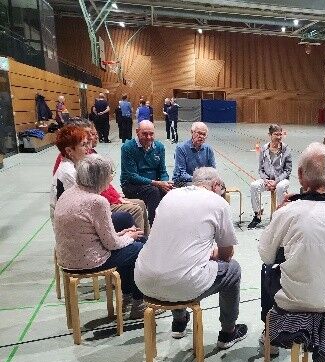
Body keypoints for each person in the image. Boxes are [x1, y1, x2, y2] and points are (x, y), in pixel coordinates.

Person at [258, 143, 325, 362]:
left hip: (292, 299)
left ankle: (268, 331)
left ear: (300, 174)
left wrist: (279, 215)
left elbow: (266, 255)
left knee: (267, 269)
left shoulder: (287, 212)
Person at [135, 167, 248, 347]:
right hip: (181, 284)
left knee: (177, 259)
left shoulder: (170, 196)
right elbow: (227, 255)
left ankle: (179, 322)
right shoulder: (218, 203)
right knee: (233, 270)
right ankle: (228, 332)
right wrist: (211, 254)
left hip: (144, 281)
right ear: (216, 185)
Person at [53, 154, 148, 319]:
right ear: (100, 178)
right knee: (139, 247)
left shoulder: (69, 193)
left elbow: (94, 233)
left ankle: (127, 294)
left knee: (125, 221)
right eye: (109, 174)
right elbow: (112, 244)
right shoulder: (97, 201)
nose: (111, 178)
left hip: (67, 256)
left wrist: (123, 234)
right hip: (88, 261)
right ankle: (138, 302)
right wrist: (129, 237)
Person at [50, 122, 140, 234]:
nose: (87, 148)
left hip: (85, 213)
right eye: (83, 145)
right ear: (69, 151)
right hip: (76, 224)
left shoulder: (75, 164)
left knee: (135, 207)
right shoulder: (69, 173)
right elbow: (86, 204)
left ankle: (143, 240)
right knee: (129, 214)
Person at [120, 120, 173, 225]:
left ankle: (167, 222)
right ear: (137, 132)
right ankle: (153, 225)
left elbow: (162, 171)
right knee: (154, 191)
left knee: (170, 190)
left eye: (151, 134)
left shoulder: (159, 147)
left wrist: (165, 182)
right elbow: (132, 176)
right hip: (131, 185)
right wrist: (156, 183)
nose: (148, 137)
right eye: (144, 134)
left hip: (154, 183)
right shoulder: (127, 148)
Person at [247, 124, 293, 229]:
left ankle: (281, 216)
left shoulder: (286, 149)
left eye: (280, 134)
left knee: (280, 187)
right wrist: (266, 180)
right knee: (254, 186)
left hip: (282, 180)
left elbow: (288, 170)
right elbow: (261, 169)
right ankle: (257, 215)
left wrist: (276, 181)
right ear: (270, 135)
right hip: (267, 180)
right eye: (276, 134)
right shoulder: (264, 149)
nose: (279, 137)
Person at [172, 122, 216, 187]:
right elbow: (181, 174)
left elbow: (213, 170)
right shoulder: (181, 148)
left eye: (204, 134)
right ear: (192, 132)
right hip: (183, 181)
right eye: (199, 133)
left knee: (219, 187)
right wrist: (200, 180)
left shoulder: (208, 149)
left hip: (202, 181)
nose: (201, 136)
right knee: (199, 188)